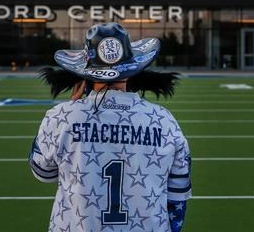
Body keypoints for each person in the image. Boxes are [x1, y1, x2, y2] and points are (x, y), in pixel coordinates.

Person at [30, 22, 191, 232]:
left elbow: (42, 172)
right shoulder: (164, 120)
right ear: (131, 68)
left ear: (86, 72)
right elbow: (177, 200)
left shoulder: (61, 116)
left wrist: (70, 108)